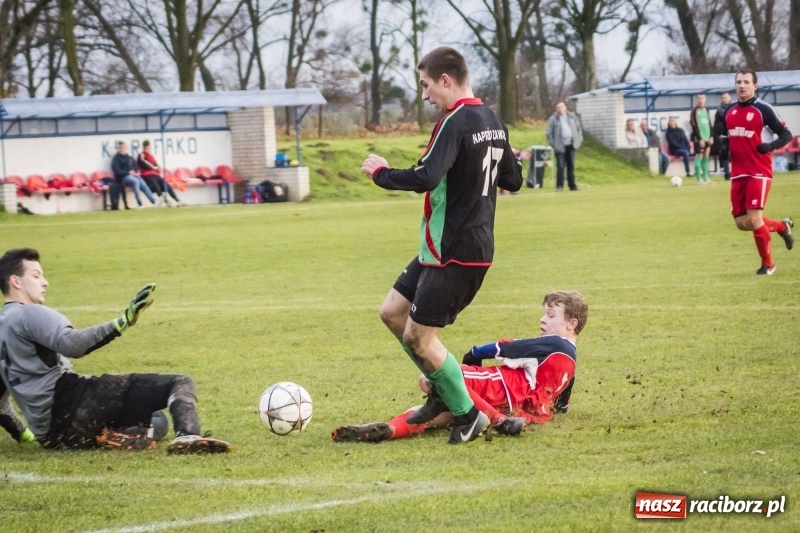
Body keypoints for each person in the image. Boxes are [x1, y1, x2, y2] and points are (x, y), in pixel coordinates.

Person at [359, 46, 523, 445]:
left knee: (420, 339)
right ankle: (441, 393)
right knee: (392, 312)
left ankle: (467, 414)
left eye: (426, 85)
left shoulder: (456, 121)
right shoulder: (492, 120)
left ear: (445, 80)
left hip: (455, 252)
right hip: (446, 250)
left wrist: (381, 174)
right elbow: (514, 181)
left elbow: (427, 176)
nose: (425, 94)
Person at [0, 248, 231, 453]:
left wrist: (23, 434)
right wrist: (121, 322)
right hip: (74, 403)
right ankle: (189, 435)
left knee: (157, 419)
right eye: (36, 275)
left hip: (53, 436)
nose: (45, 282)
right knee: (179, 383)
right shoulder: (27, 313)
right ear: (16, 282)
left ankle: (118, 436)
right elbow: (71, 344)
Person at [332, 291, 588, 443]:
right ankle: (389, 430)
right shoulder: (571, 359)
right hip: (522, 409)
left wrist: (472, 356)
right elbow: (563, 397)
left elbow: (501, 348)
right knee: (448, 412)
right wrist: (560, 409)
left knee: (432, 379)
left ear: (571, 323)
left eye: (551, 316)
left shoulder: (553, 344)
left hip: (499, 387)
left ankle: (499, 422)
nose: (543, 319)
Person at [720, 68, 794, 275]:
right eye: (738, 82)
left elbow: (786, 134)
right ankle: (781, 226)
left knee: (754, 219)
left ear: (755, 86)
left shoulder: (764, 109)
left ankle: (768, 265)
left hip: (759, 172)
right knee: (742, 223)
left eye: (746, 82)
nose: (741, 85)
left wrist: (771, 147)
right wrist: (724, 147)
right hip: (738, 172)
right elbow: (728, 136)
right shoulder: (730, 111)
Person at [546, 102, 583, 191]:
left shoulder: (572, 116)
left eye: (561, 107)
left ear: (565, 107)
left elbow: (578, 129)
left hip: (571, 145)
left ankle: (572, 185)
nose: (560, 109)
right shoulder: (553, 119)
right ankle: (559, 186)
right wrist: (553, 144)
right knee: (561, 166)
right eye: (558, 107)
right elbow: (549, 133)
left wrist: (579, 139)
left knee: (571, 165)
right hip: (559, 146)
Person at [137, 140, 184, 207]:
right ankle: (164, 200)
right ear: (144, 148)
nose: (148, 149)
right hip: (147, 175)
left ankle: (177, 200)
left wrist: (159, 167)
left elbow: (155, 164)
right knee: (156, 184)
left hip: (155, 174)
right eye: (146, 148)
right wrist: (154, 168)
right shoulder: (141, 155)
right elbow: (144, 163)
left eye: (149, 148)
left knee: (165, 184)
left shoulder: (151, 156)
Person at [111, 141, 156, 209]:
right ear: (118, 148)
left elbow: (136, 166)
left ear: (126, 148)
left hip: (133, 175)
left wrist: (137, 171)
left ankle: (153, 201)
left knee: (142, 183)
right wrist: (128, 172)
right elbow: (117, 171)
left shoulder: (129, 157)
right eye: (120, 147)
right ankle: (139, 203)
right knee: (136, 181)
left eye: (123, 147)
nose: (122, 149)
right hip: (123, 177)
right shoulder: (116, 158)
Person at [690, 93, 713, 184]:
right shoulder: (694, 111)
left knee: (706, 157)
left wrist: (711, 135)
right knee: (699, 156)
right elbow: (694, 126)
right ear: (697, 100)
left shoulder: (706, 110)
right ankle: (699, 179)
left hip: (707, 137)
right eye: (699, 98)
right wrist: (700, 138)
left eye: (702, 98)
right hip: (699, 138)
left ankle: (706, 178)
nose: (701, 100)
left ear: (705, 99)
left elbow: (709, 123)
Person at [713, 92, 732, 180]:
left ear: (730, 98)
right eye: (723, 97)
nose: (724, 99)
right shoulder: (720, 110)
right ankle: (726, 173)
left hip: (733, 134)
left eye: (726, 97)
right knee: (725, 153)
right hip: (724, 135)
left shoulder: (734, 107)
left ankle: (732, 172)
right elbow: (717, 124)